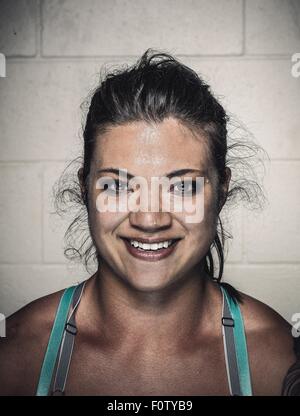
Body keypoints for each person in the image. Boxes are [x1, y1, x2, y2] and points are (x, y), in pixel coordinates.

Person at [0, 49, 298, 396]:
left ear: (222, 191)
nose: (149, 219)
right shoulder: (16, 355)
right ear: (84, 188)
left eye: (182, 186)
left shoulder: (278, 361)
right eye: (118, 185)